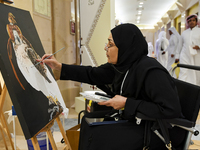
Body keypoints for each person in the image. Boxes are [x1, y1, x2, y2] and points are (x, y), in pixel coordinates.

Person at [40, 24, 185, 149]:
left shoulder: (151, 71)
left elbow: (170, 109)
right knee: (87, 120)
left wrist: (127, 103)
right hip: (139, 121)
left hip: (158, 131)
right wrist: (60, 67)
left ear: (124, 46)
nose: (105, 48)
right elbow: (92, 74)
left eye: (110, 44)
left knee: (99, 136)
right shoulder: (123, 66)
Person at [178, 14, 200, 85]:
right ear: (187, 22)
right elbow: (180, 45)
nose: (191, 22)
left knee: (196, 72)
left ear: (196, 21)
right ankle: (182, 87)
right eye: (190, 21)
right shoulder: (184, 33)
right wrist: (177, 57)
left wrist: (199, 46)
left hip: (197, 56)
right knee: (184, 72)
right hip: (185, 55)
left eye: (193, 20)